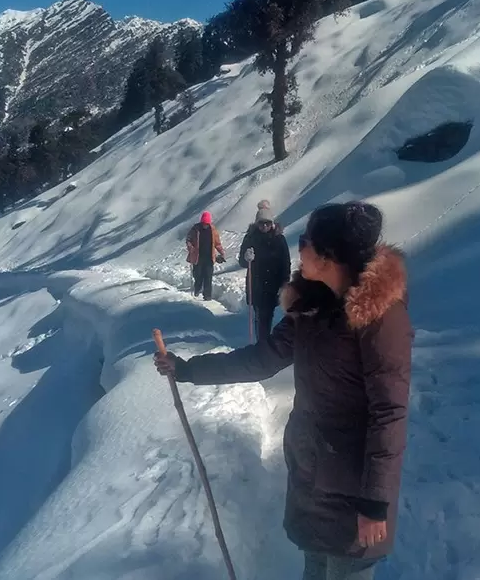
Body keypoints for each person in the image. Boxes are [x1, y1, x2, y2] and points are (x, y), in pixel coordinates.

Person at [156, 201, 412, 580]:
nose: (299, 247)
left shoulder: (380, 319)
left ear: (328, 256)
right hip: (312, 474)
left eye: (306, 241)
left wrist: (375, 501)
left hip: (354, 490)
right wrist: (189, 370)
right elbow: (262, 359)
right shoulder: (312, 307)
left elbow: (389, 412)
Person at [239, 200, 291, 342]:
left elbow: (285, 261)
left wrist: (285, 282)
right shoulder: (250, 238)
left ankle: (264, 343)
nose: (265, 226)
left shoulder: (279, 239)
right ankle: (262, 344)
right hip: (256, 284)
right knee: (260, 315)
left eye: (267, 223)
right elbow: (241, 261)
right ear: (257, 223)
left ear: (272, 223)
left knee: (268, 314)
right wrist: (246, 257)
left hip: (273, 284)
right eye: (261, 223)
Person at [186, 211, 226, 301]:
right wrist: (190, 247)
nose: (205, 225)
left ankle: (207, 296)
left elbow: (217, 243)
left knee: (208, 277)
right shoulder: (195, 229)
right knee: (198, 275)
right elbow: (188, 239)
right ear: (201, 222)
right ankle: (197, 287)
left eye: (207, 223)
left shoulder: (213, 230)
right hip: (197, 257)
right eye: (204, 223)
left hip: (209, 257)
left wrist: (222, 252)